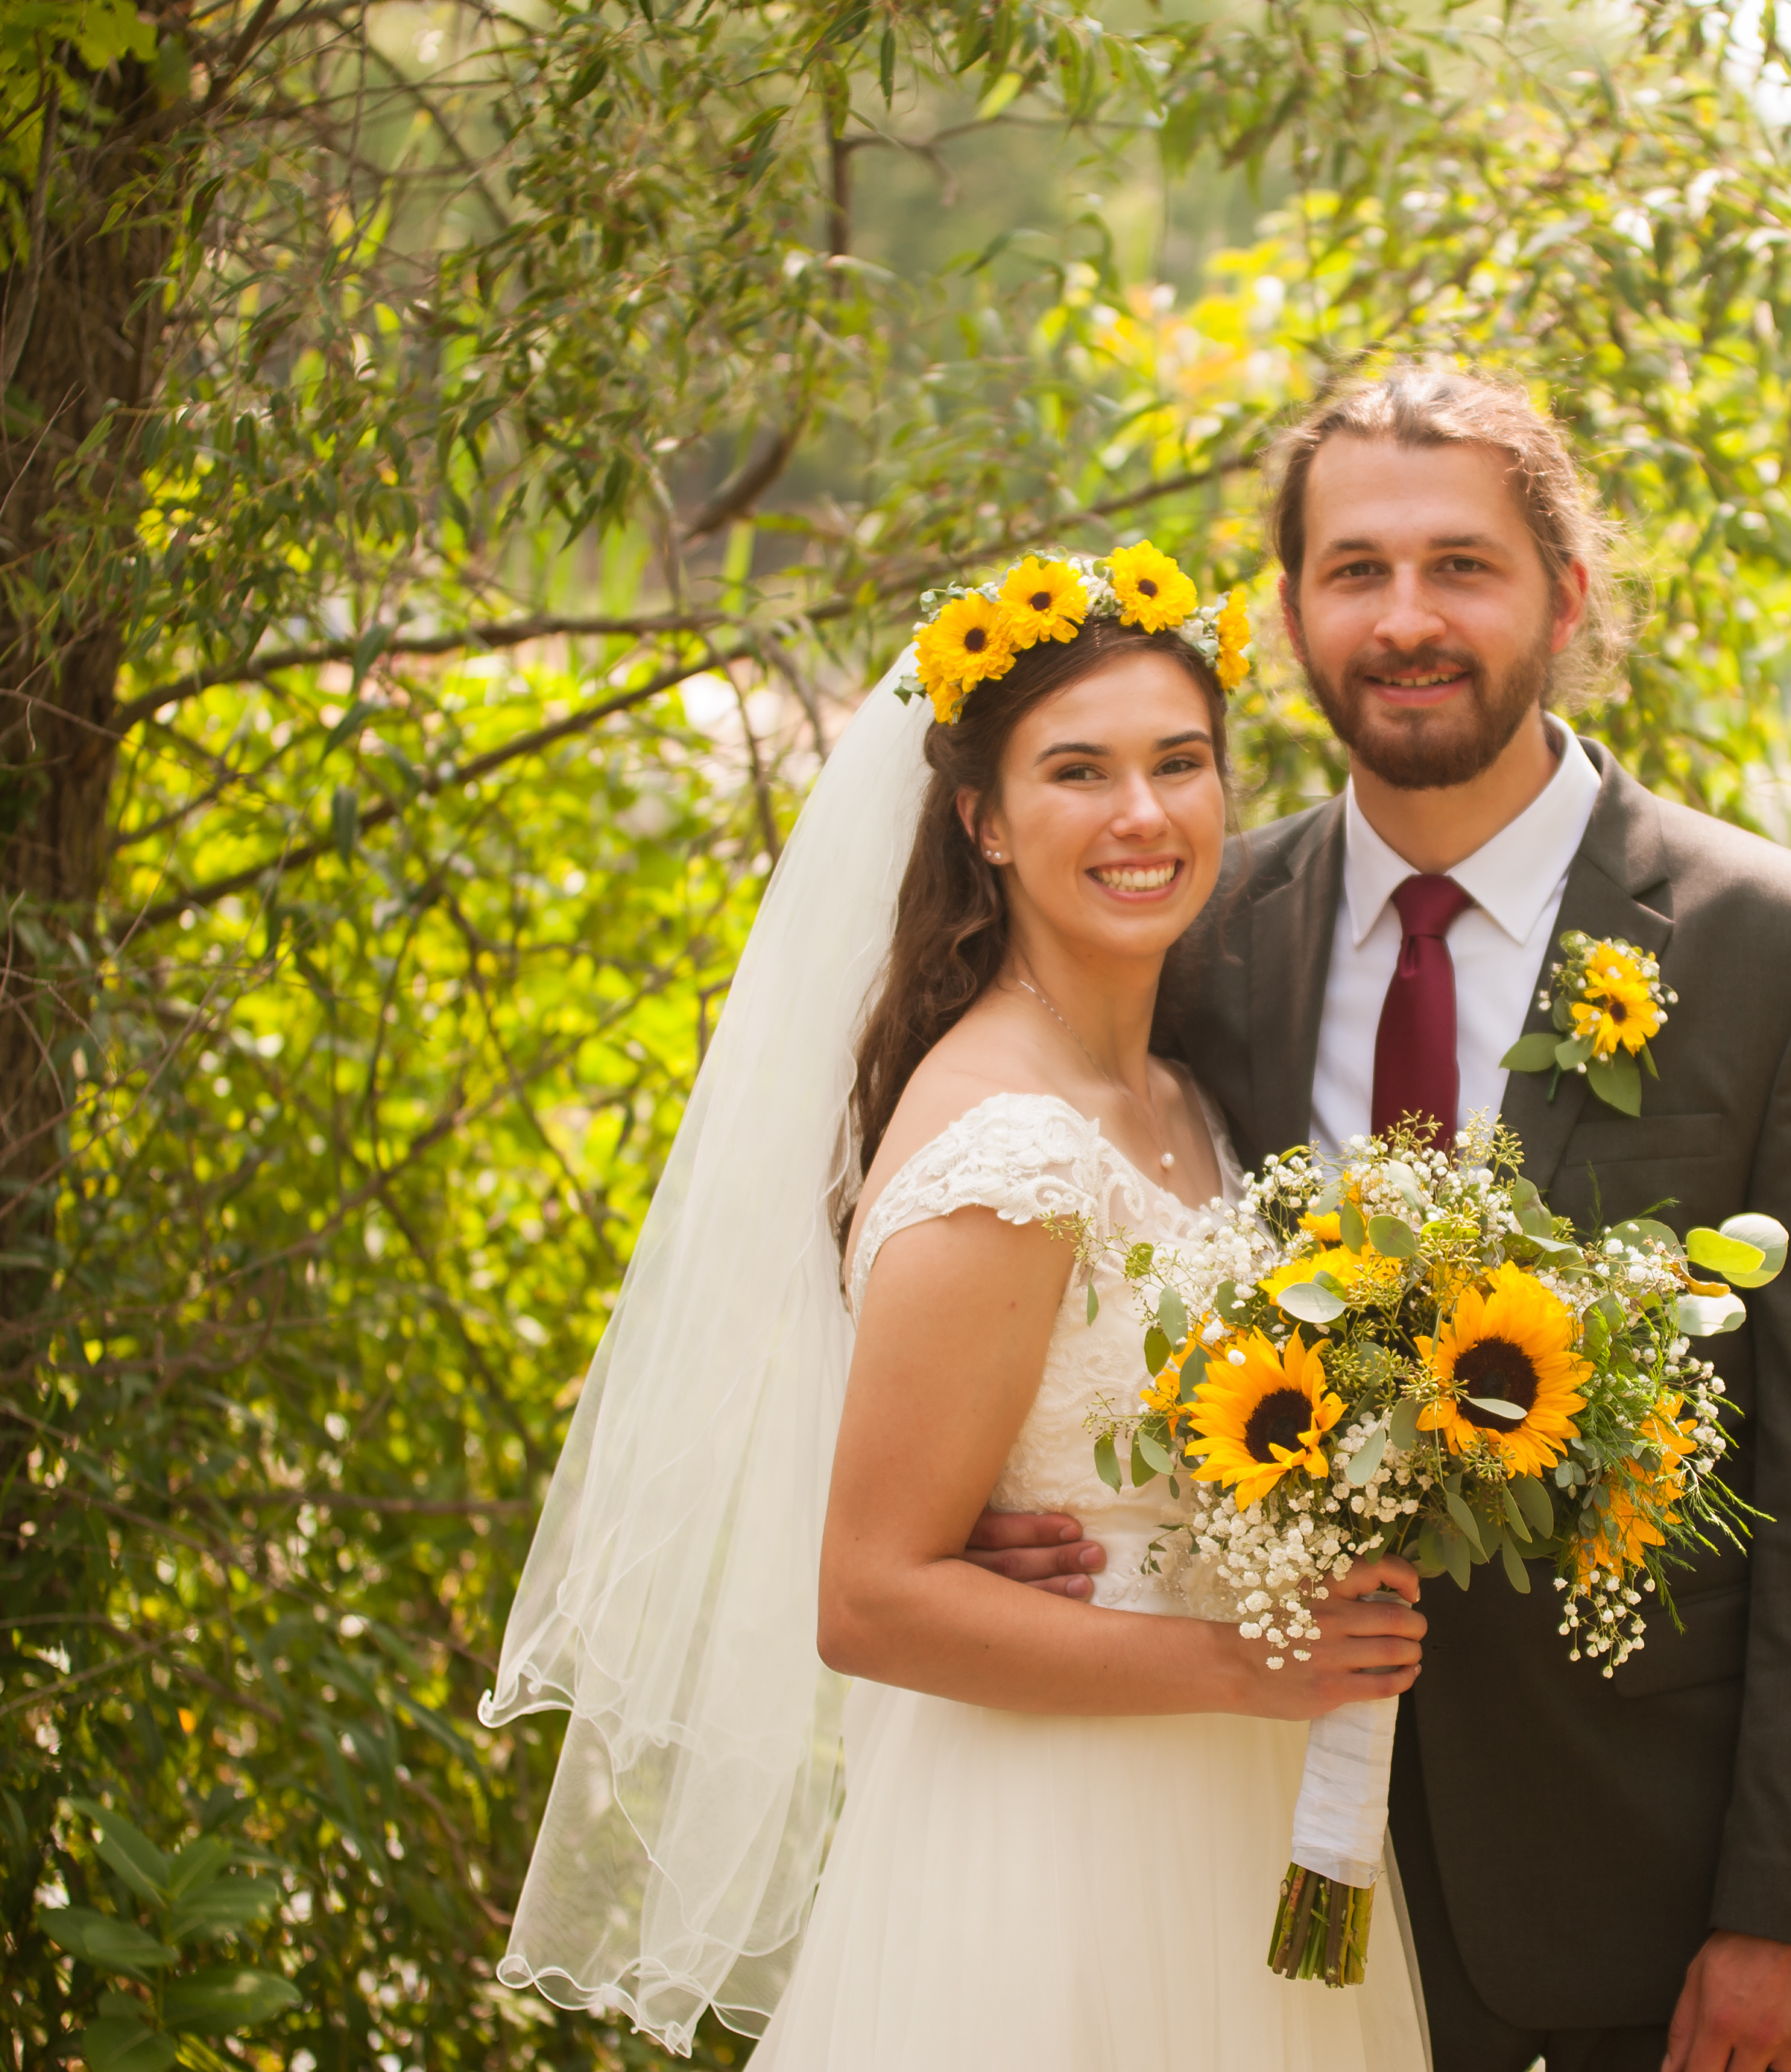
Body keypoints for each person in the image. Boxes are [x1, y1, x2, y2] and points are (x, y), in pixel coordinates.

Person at [969, 363, 1791, 2072]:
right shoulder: (1196, 934)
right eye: (1355, 571)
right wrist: (1001, 1509)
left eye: (1459, 567)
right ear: (1288, 615)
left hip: (1635, 1892)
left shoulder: (1787, 955)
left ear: (1565, 596)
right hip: (1232, 1870)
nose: (1405, 619)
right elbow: (1027, 1242)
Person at [477, 551, 1431, 2065]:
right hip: (1055, 1844)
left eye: (1180, 763)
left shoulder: (1174, 1092)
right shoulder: (1004, 1144)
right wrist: (1248, 1665)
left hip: (1233, 1809)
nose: (1143, 814)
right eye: (1079, 770)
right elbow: (868, 1598)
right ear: (982, 820)